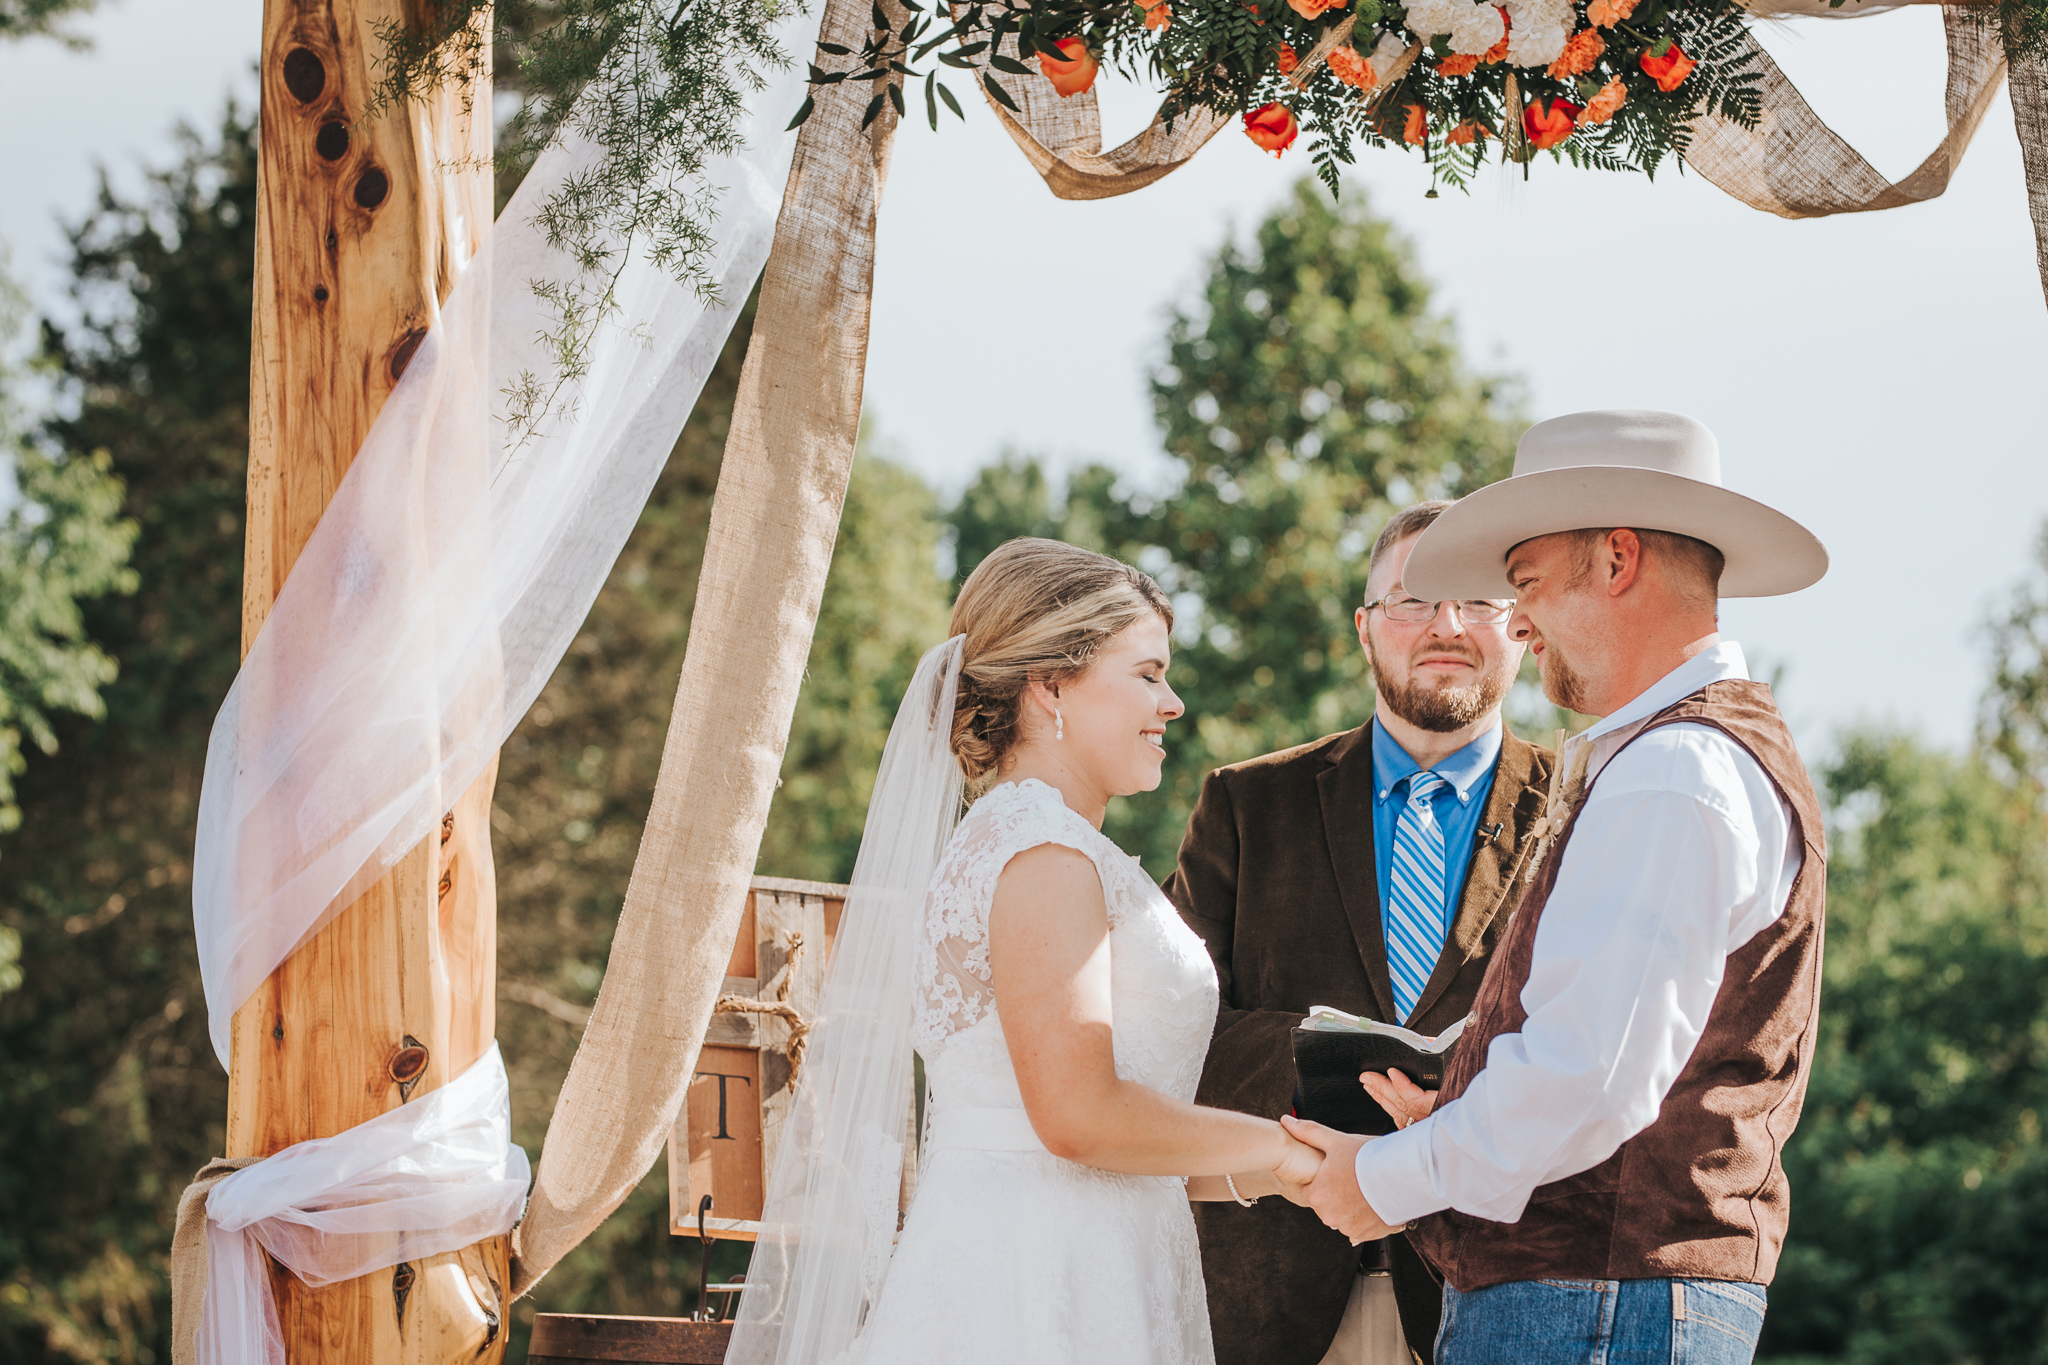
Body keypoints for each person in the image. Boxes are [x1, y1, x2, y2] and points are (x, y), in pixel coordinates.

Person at [1283, 410, 1830, 1365]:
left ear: (1617, 560)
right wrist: (1458, 1110)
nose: (1518, 620)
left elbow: (1590, 1079)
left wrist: (1383, 1174)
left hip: (1594, 1311)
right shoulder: (1681, 761)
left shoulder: (1673, 774)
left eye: (1526, 582)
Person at [730, 537, 1324, 1365]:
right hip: (1038, 1283)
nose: (1174, 702)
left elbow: (1119, 1143)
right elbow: (1079, 1117)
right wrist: (1286, 1146)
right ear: (1052, 688)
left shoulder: (1034, 842)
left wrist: (1303, 1171)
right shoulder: (1042, 851)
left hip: (1088, 1252)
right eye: (1148, 674)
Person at [1165, 500, 1556, 1365]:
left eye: (1476, 602)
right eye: (1413, 600)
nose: (1445, 626)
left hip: (1500, 1295)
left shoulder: (1589, 806)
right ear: (1365, 627)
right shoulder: (1246, 805)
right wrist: (1325, 1060)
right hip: (1270, 1300)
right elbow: (1167, 1031)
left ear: (1522, 626)